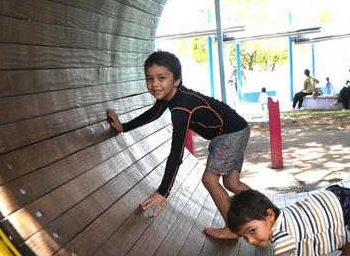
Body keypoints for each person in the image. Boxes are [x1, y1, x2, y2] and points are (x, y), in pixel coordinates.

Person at [106, 50, 251, 239]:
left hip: (230, 135)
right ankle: (267, 213)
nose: (155, 84)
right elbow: (153, 113)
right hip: (238, 129)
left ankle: (233, 229)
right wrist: (124, 127)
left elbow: (176, 152)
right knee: (232, 183)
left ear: (176, 80)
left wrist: (163, 191)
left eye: (161, 78)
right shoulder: (172, 97)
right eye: (149, 78)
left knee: (209, 180)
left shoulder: (181, 107)